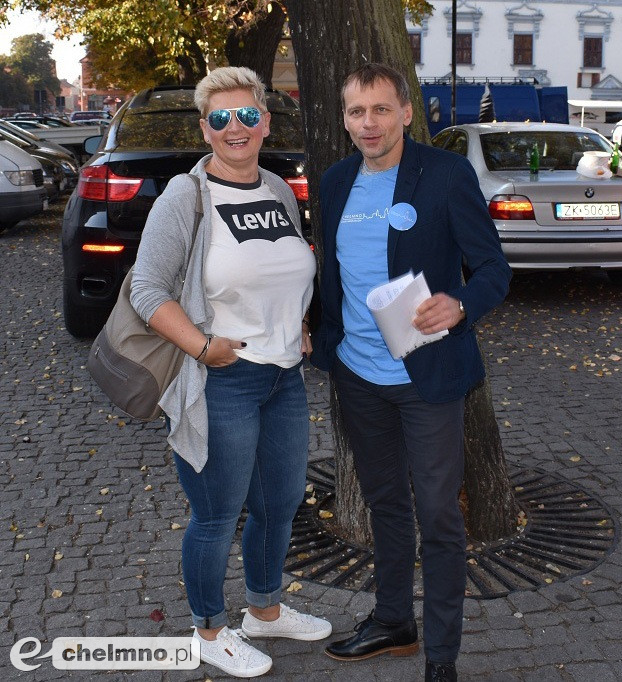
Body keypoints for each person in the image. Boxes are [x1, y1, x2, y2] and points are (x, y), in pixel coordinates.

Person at [311, 63, 511, 682]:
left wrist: (461, 304)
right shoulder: (335, 182)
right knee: (385, 503)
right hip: (357, 377)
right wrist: (313, 333)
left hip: (426, 381)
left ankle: (442, 656)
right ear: (345, 118)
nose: (367, 123)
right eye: (355, 112)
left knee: (440, 515)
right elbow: (330, 278)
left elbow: (494, 270)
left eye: (379, 110)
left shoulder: (446, 175)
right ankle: (393, 620)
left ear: (404, 112)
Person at [129, 66, 331, 678]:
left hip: (283, 377)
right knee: (217, 512)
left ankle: (264, 611)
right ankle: (209, 627)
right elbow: (147, 289)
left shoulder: (276, 187)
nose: (235, 127)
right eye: (220, 118)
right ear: (205, 128)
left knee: (281, 502)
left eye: (247, 115)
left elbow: (284, 267)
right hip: (222, 378)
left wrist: (294, 320)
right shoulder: (185, 197)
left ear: (266, 122)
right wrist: (203, 346)